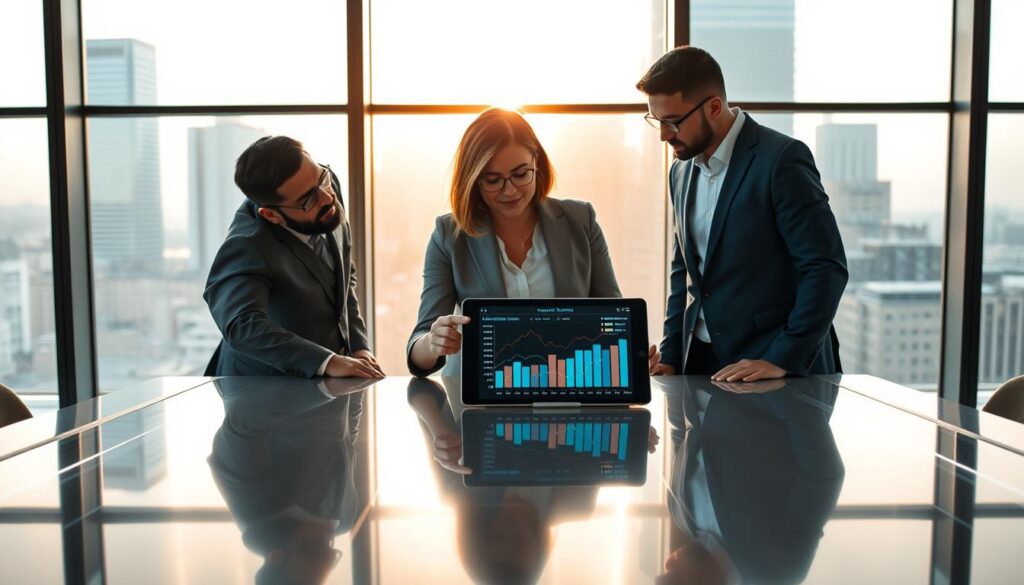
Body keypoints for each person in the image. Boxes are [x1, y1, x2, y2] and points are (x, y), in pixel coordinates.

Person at [637, 47, 848, 381]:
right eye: (656, 121)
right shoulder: (680, 172)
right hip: (700, 363)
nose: (664, 135)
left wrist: (782, 358)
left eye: (672, 122)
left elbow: (825, 268)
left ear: (714, 107)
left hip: (771, 366)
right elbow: (684, 270)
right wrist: (672, 354)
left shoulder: (781, 160)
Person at [406, 108, 659, 377]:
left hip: (569, 388)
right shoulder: (449, 235)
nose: (510, 190)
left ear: (536, 163)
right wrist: (433, 344)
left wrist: (632, 353)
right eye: (493, 180)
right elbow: (417, 351)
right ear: (474, 180)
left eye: (520, 174)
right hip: (477, 396)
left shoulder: (580, 221)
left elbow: (612, 315)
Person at [204, 136, 384, 379]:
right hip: (261, 390)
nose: (327, 198)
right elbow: (242, 326)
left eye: (322, 178)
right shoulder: (247, 244)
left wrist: (359, 348)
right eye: (308, 200)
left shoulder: (324, 188)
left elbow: (343, 276)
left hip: (326, 386)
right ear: (272, 215)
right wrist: (327, 362)